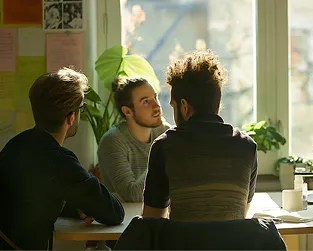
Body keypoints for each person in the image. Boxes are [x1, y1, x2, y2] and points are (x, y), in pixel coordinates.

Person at [0, 68, 125, 251]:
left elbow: (33, 198)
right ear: (71, 117)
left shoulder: (17, 144)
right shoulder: (59, 161)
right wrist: (86, 204)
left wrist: (76, 207)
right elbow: (115, 212)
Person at [142, 50, 258, 221]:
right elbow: (239, 215)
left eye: (174, 107)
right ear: (217, 104)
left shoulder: (165, 146)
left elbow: (152, 221)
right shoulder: (247, 147)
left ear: (184, 106)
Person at [98, 76, 170, 202]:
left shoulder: (164, 132)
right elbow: (132, 195)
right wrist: (162, 158)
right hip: (125, 219)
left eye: (155, 97)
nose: (157, 106)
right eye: (146, 101)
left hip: (159, 214)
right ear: (127, 111)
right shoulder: (113, 141)